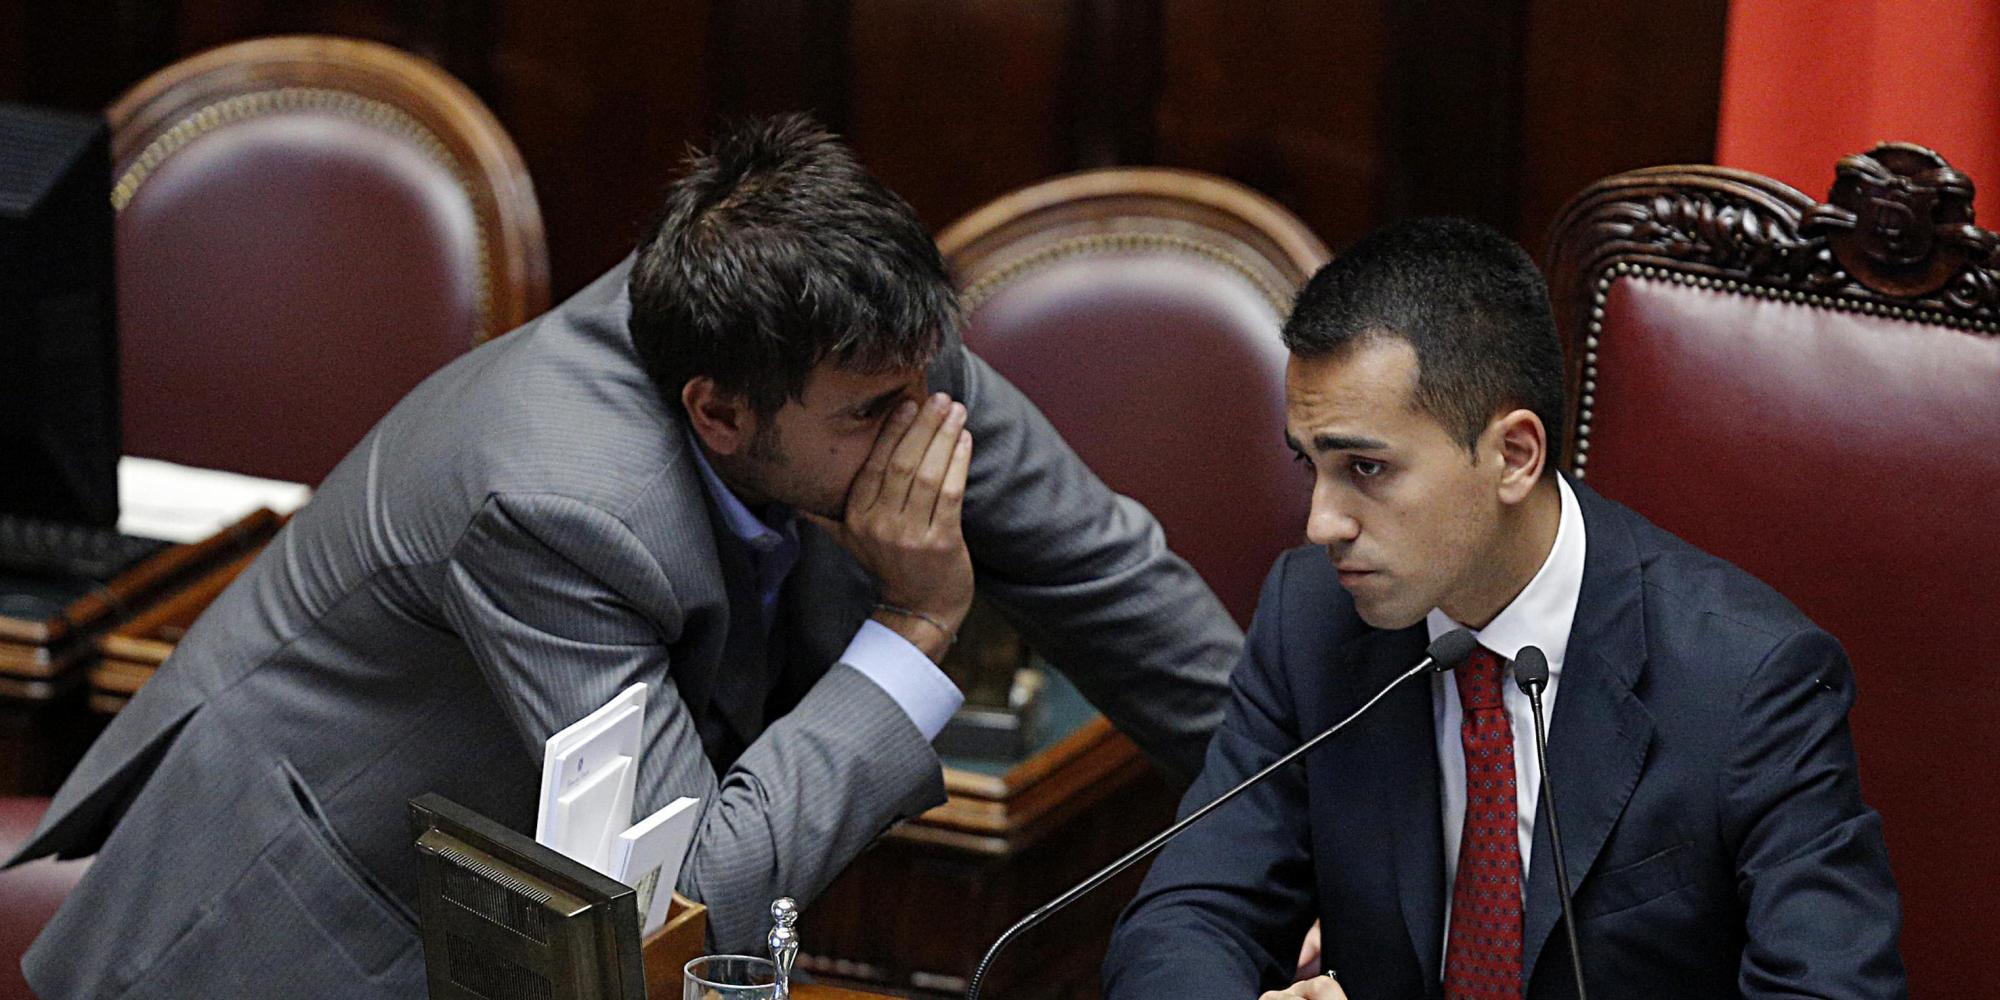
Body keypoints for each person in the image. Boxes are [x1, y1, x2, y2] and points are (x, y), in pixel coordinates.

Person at [8, 115, 1240, 1000]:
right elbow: (686, 896)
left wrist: (1326, 822)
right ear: (718, 413)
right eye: (871, 414)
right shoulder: (555, 500)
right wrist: (916, 625)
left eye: (924, 382)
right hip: (302, 927)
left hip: (519, 922)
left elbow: (1113, 587)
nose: (921, 427)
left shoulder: (874, 350)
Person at [1101, 217, 1906, 999]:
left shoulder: (1746, 679)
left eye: (1367, 469)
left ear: (1514, 455)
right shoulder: (1312, 615)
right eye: (1310, 465)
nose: (1322, 523)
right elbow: (1189, 916)